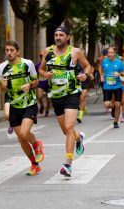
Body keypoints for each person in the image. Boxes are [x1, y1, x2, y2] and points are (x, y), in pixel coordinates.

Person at [39, 26, 91, 177]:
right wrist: (45, 74)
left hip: (71, 93)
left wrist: (84, 74)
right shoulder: (47, 51)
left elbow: (88, 66)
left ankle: (68, 163)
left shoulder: (75, 52)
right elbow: (41, 69)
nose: (58, 37)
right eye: (56, 35)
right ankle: (78, 138)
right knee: (66, 130)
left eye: (61, 35)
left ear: (67, 37)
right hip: (55, 95)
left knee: (69, 126)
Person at [0, 40, 44, 176]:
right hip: (14, 105)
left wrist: (29, 85)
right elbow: (2, 89)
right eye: (7, 50)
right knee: (21, 139)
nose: (9, 53)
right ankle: (34, 164)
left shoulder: (27, 64)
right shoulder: (1, 68)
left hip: (29, 103)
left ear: (18, 52)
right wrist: (3, 86)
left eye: (12, 50)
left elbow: (36, 81)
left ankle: (37, 144)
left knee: (24, 133)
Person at [99, 46, 124, 128]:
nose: (110, 54)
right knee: (107, 104)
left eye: (111, 53)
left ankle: (116, 122)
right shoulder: (104, 61)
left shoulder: (119, 63)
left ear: (115, 54)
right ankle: (113, 107)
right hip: (107, 87)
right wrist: (101, 76)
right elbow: (100, 68)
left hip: (117, 87)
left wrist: (120, 74)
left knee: (118, 104)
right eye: (108, 53)